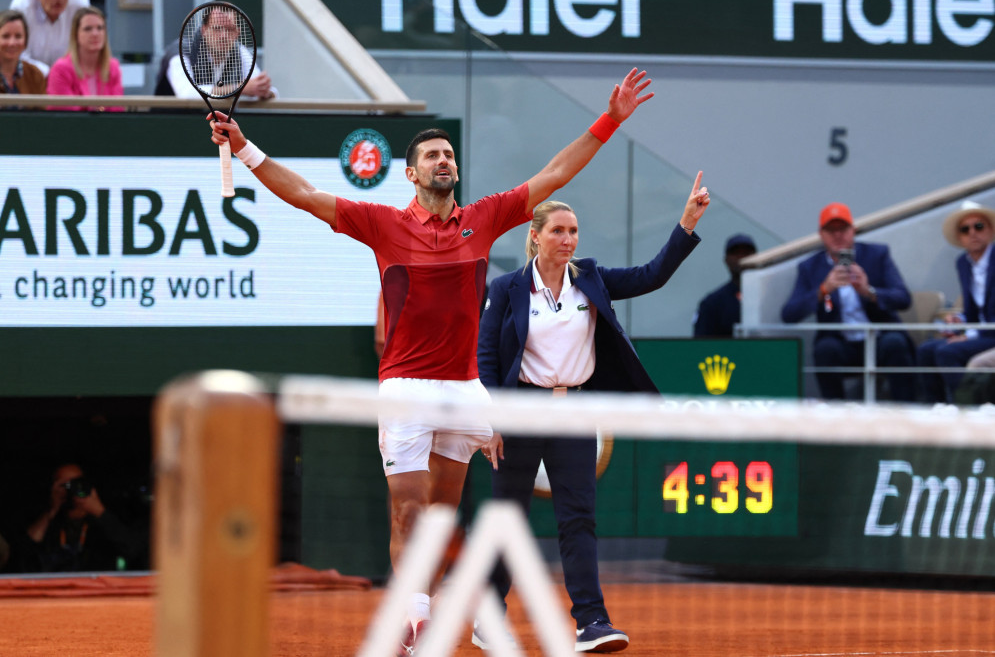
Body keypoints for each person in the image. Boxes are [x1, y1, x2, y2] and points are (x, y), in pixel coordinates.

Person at [204, 68, 655, 654]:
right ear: (412, 174)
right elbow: (306, 196)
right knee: (410, 513)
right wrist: (245, 147)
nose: (443, 160)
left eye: (448, 154)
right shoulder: (382, 224)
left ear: (456, 169)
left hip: (466, 388)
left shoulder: (486, 218)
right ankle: (416, 619)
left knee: (442, 520)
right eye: (431, 156)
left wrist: (611, 119)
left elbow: (556, 174)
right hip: (405, 387)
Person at [475, 175, 709, 653]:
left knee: (578, 518)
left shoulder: (592, 278)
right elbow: (486, 357)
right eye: (558, 230)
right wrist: (490, 421)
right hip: (520, 414)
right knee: (506, 521)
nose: (568, 239)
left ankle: (592, 622)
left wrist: (686, 223)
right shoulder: (506, 288)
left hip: (576, 414)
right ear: (535, 235)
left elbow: (651, 275)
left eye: (574, 231)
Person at [781, 202, 915, 401]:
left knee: (895, 342)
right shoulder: (810, 266)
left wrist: (868, 291)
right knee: (824, 349)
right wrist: (823, 290)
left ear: (853, 230)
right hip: (841, 343)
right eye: (830, 230)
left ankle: (905, 412)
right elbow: (789, 314)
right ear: (821, 235)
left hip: (878, 338)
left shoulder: (877, 255)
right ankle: (835, 418)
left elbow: (904, 299)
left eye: (843, 229)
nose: (837, 235)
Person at [917, 201, 995, 403]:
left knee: (947, 352)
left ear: (990, 230)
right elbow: (975, 312)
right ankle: (937, 408)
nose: (972, 233)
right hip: (983, 333)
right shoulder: (963, 263)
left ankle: (970, 409)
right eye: (965, 229)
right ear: (960, 237)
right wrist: (959, 320)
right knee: (926, 350)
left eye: (978, 226)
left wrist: (969, 335)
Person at [8, 462, 146, 573]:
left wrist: (99, 511)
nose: (70, 489)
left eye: (76, 483)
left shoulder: (106, 520)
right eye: (64, 484)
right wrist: (51, 510)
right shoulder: (49, 521)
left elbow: (133, 549)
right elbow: (21, 556)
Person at [156, 7, 276, 101]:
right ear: (204, 30)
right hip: (171, 124)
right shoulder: (180, 50)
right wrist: (239, 89)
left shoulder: (240, 51)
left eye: (229, 29)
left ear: (237, 33)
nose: (223, 36)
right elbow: (186, 93)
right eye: (217, 29)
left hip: (217, 126)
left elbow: (268, 90)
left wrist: (264, 91)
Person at [45, 6, 122, 111]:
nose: (95, 34)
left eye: (100, 28)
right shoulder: (60, 69)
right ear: (76, 34)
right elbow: (67, 114)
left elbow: (117, 111)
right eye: (88, 29)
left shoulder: (113, 67)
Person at [693, 233, 757, 337]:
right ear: (726, 260)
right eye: (736, 253)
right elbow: (701, 345)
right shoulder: (712, 303)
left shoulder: (770, 296)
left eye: (747, 252)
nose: (741, 257)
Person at [10, 0, 90, 74]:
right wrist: (47, 72)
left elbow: (85, 46)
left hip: (68, 74)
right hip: (30, 75)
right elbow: (17, 51)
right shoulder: (21, 5)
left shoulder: (79, 4)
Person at [0, 10, 47, 100]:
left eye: (18, 36)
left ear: (25, 41)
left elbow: (43, 112)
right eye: (6, 36)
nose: (12, 43)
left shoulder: (35, 75)